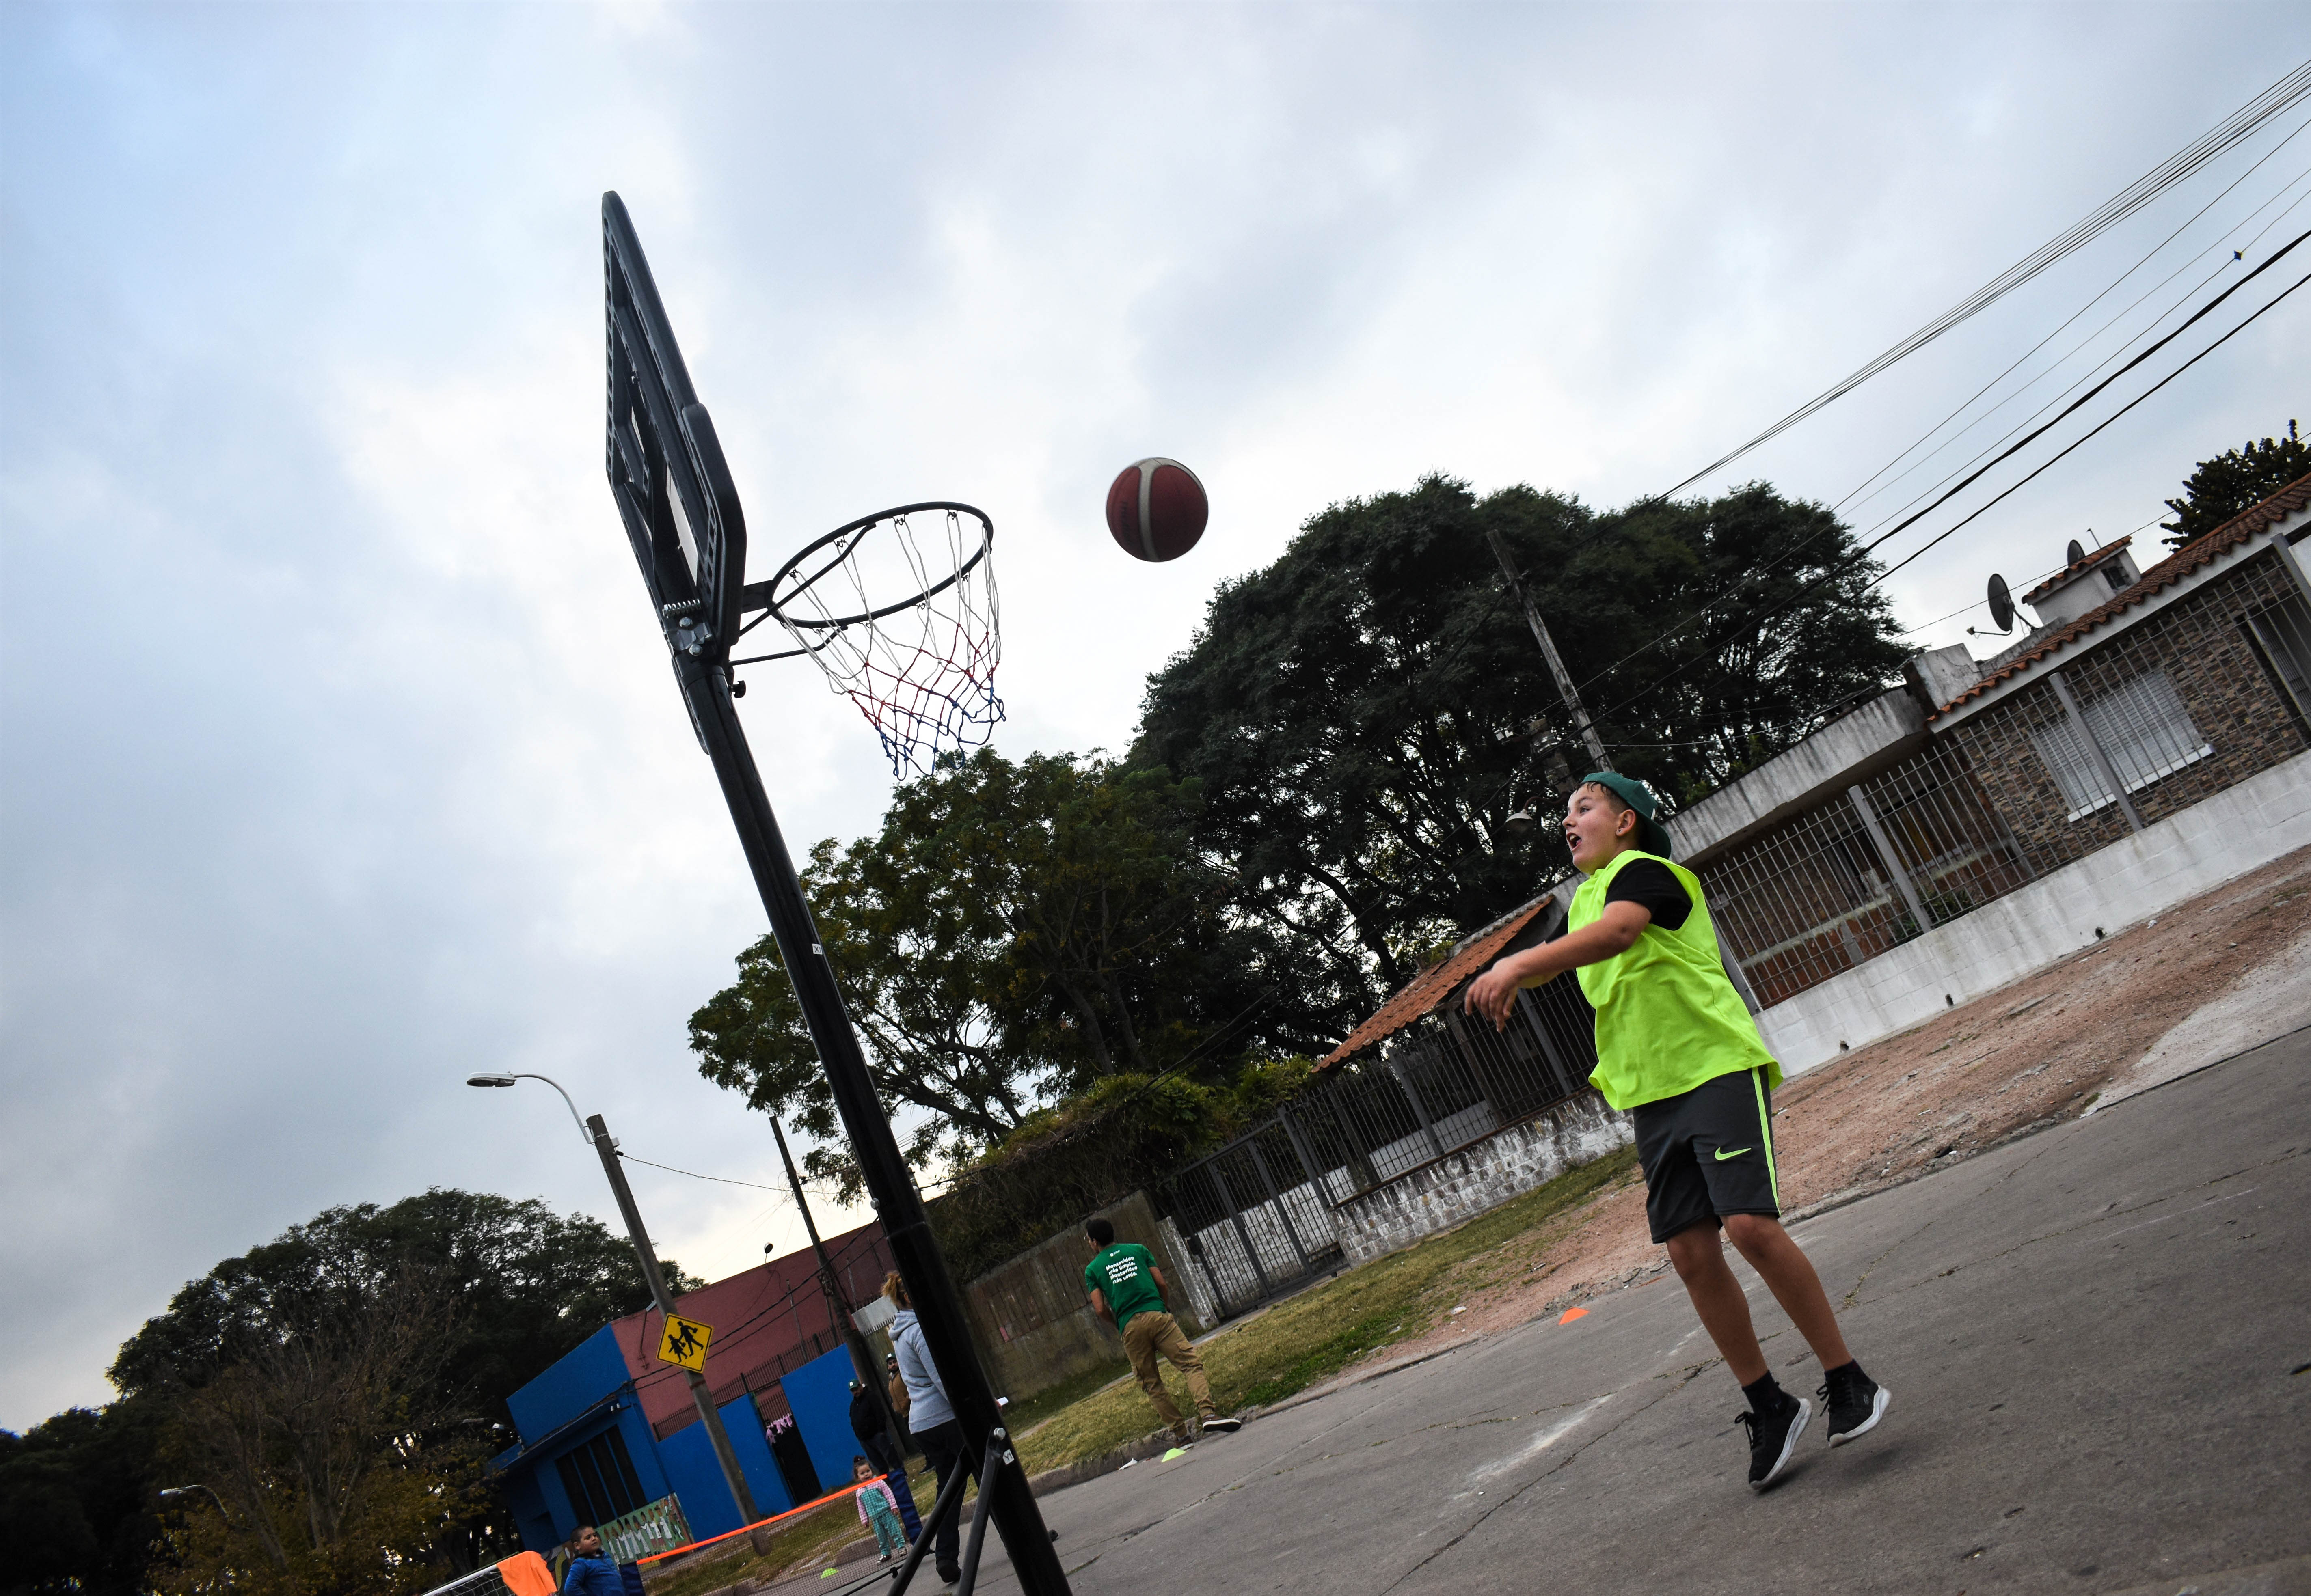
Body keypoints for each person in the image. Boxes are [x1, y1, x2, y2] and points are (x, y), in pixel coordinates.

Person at [1465, 772, 1890, 1491]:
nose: (1568, 820)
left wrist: (1515, 962)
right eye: (1565, 813)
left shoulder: (1650, 876)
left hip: (1713, 1070)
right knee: (1691, 1253)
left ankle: (1848, 1378)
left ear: (1625, 821)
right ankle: (1768, 1403)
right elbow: (1589, 949)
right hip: (1653, 1095)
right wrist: (1508, 978)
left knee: (1750, 1224)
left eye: (1583, 806)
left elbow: (1622, 933)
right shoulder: (1586, 902)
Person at [1082, 1217, 1237, 1445]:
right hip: (1158, 1316)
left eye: (1088, 1239)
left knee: (1152, 1383)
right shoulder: (1139, 1250)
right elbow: (1161, 1284)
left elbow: (1099, 1309)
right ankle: (1208, 1414)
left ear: (1095, 1242)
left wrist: (1120, 1324)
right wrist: (1163, 1308)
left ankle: (1182, 1435)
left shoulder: (1092, 1270)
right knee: (1190, 1363)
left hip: (1130, 1327)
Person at [885, 1270, 978, 1587]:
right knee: (988, 1473)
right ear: (907, 1297)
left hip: (922, 1425)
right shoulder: (919, 1332)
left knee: (949, 1488)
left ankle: (946, 1559)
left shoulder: (901, 1333)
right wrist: (971, 1406)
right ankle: (1023, 1537)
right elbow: (942, 1378)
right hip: (943, 1418)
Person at [849, 1376, 922, 1542]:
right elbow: (853, 1421)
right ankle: (884, 1477)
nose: (856, 1392)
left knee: (888, 1453)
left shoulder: (870, 1397)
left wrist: (881, 1430)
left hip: (876, 1434)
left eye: (857, 1388)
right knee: (877, 1460)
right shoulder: (854, 1405)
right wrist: (859, 1435)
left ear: (861, 1386)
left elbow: (880, 1413)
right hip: (865, 1439)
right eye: (853, 1390)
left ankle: (899, 1471)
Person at [853, 1457, 909, 1563]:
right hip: (875, 1518)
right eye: (862, 1473)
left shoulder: (879, 1482)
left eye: (868, 1471)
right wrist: (865, 1519)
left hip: (887, 1512)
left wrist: (894, 1506)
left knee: (895, 1531)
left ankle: (902, 1547)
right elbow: (861, 1507)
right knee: (881, 1537)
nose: (866, 1475)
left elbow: (889, 1494)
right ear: (858, 1477)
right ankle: (886, 1553)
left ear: (872, 1471)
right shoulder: (859, 1491)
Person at [559, 1526, 621, 1596]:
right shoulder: (581, 1563)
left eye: (595, 1535)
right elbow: (570, 1588)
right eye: (588, 1538)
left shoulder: (605, 1556)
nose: (594, 1538)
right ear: (577, 1546)